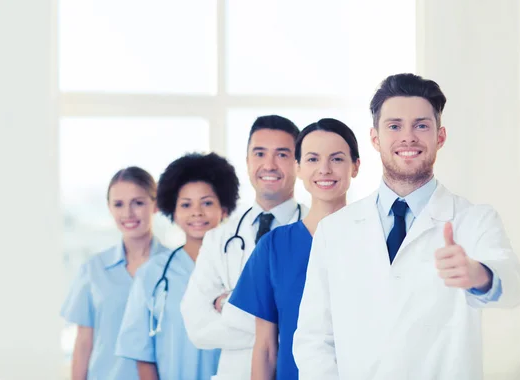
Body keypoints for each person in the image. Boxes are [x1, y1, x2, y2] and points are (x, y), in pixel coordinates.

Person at [292, 73, 520, 380]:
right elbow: (314, 337)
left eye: (421, 125)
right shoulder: (334, 230)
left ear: (440, 137)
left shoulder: (474, 220)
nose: (408, 137)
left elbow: (516, 287)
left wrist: (480, 275)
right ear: (375, 139)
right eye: (394, 126)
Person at [228, 118, 360, 380]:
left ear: (355, 166)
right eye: (312, 159)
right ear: (298, 168)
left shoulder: (375, 240)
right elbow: (265, 347)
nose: (324, 169)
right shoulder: (274, 247)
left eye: (336, 159)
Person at [180, 115, 308, 380]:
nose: (269, 165)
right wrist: (282, 315)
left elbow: (321, 323)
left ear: (298, 163)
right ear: (248, 160)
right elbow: (198, 327)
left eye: (282, 154)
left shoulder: (317, 231)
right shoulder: (219, 239)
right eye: (259, 153)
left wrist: (231, 305)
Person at [115, 153, 240, 379]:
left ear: (224, 209)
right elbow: (142, 355)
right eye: (186, 204)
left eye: (207, 202)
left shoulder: (242, 269)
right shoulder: (152, 274)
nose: (197, 212)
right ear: (173, 212)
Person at [61, 167, 169, 380]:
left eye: (138, 203)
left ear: (155, 205)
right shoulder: (94, 269)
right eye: (118, 204)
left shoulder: (174, 266)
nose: (128, 213)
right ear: (109, 208)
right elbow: (83, 343)